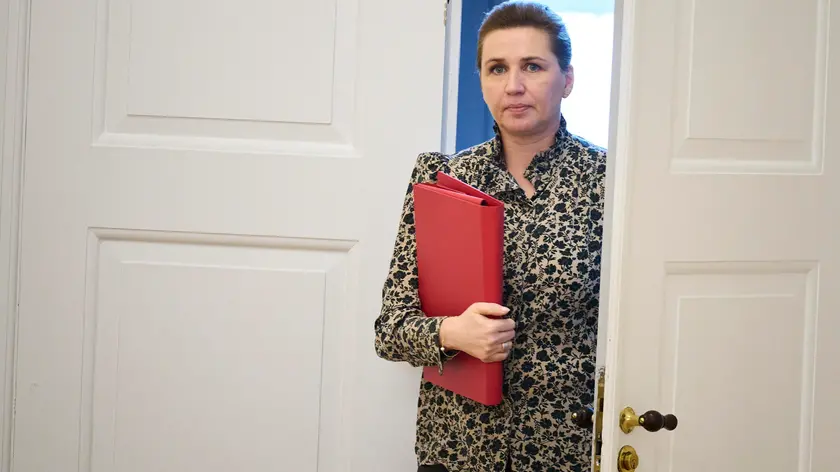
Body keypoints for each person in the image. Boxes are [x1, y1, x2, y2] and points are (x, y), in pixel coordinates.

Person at [373, 1, 606, 471]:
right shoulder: (441, 181)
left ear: (568, 79)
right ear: (481, 81)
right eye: (497, 68)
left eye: (533, 66)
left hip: (565, 452)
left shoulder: (611, 182)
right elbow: (390, 330)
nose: (513, 85)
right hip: (459, 450)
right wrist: (452, 332)